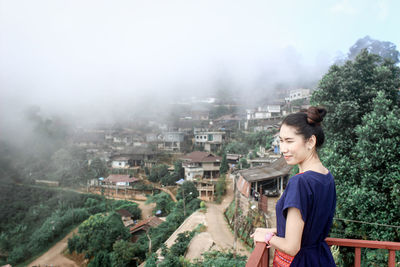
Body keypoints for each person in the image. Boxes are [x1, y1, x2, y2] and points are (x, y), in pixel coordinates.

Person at [251, 106, 336, 266]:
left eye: (289, 141)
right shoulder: (326, 176)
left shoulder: (300, 182)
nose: (283, 149)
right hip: (321, 258)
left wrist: (268, 238)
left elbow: (292, 247)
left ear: (310, 141)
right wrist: (276, 232)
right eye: (281, 141)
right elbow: (308, 230)